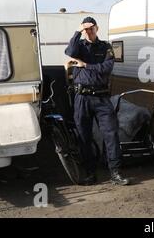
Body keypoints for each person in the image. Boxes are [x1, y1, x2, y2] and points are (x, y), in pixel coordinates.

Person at [65, 16, 130, 186]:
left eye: (91, 28)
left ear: (97, 28)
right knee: (84, 137)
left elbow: (106, 68)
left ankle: (115, 173)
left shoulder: (106, 47)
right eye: (85, 29)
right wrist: (77, 31)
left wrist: (85, 65)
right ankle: (90, 173)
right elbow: (70, 52)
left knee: (111, 134)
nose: (89, 31)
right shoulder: (78, 46)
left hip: (101, 97)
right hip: (82, 98)